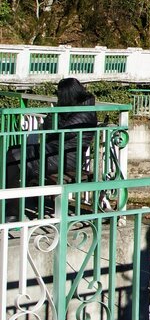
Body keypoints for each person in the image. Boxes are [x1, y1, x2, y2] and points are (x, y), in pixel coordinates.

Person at [4, 77, 98, 220]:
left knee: (13, 160)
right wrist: (55, 116)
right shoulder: (71, 108)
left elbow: (59, 132)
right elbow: (49, 127)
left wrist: (56, 115)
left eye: (60, 94)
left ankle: (12, 212)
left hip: (65, 158)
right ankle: (11, 206)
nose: (58, 96)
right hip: (55, 151)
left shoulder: (84, 112)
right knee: (12, 151)